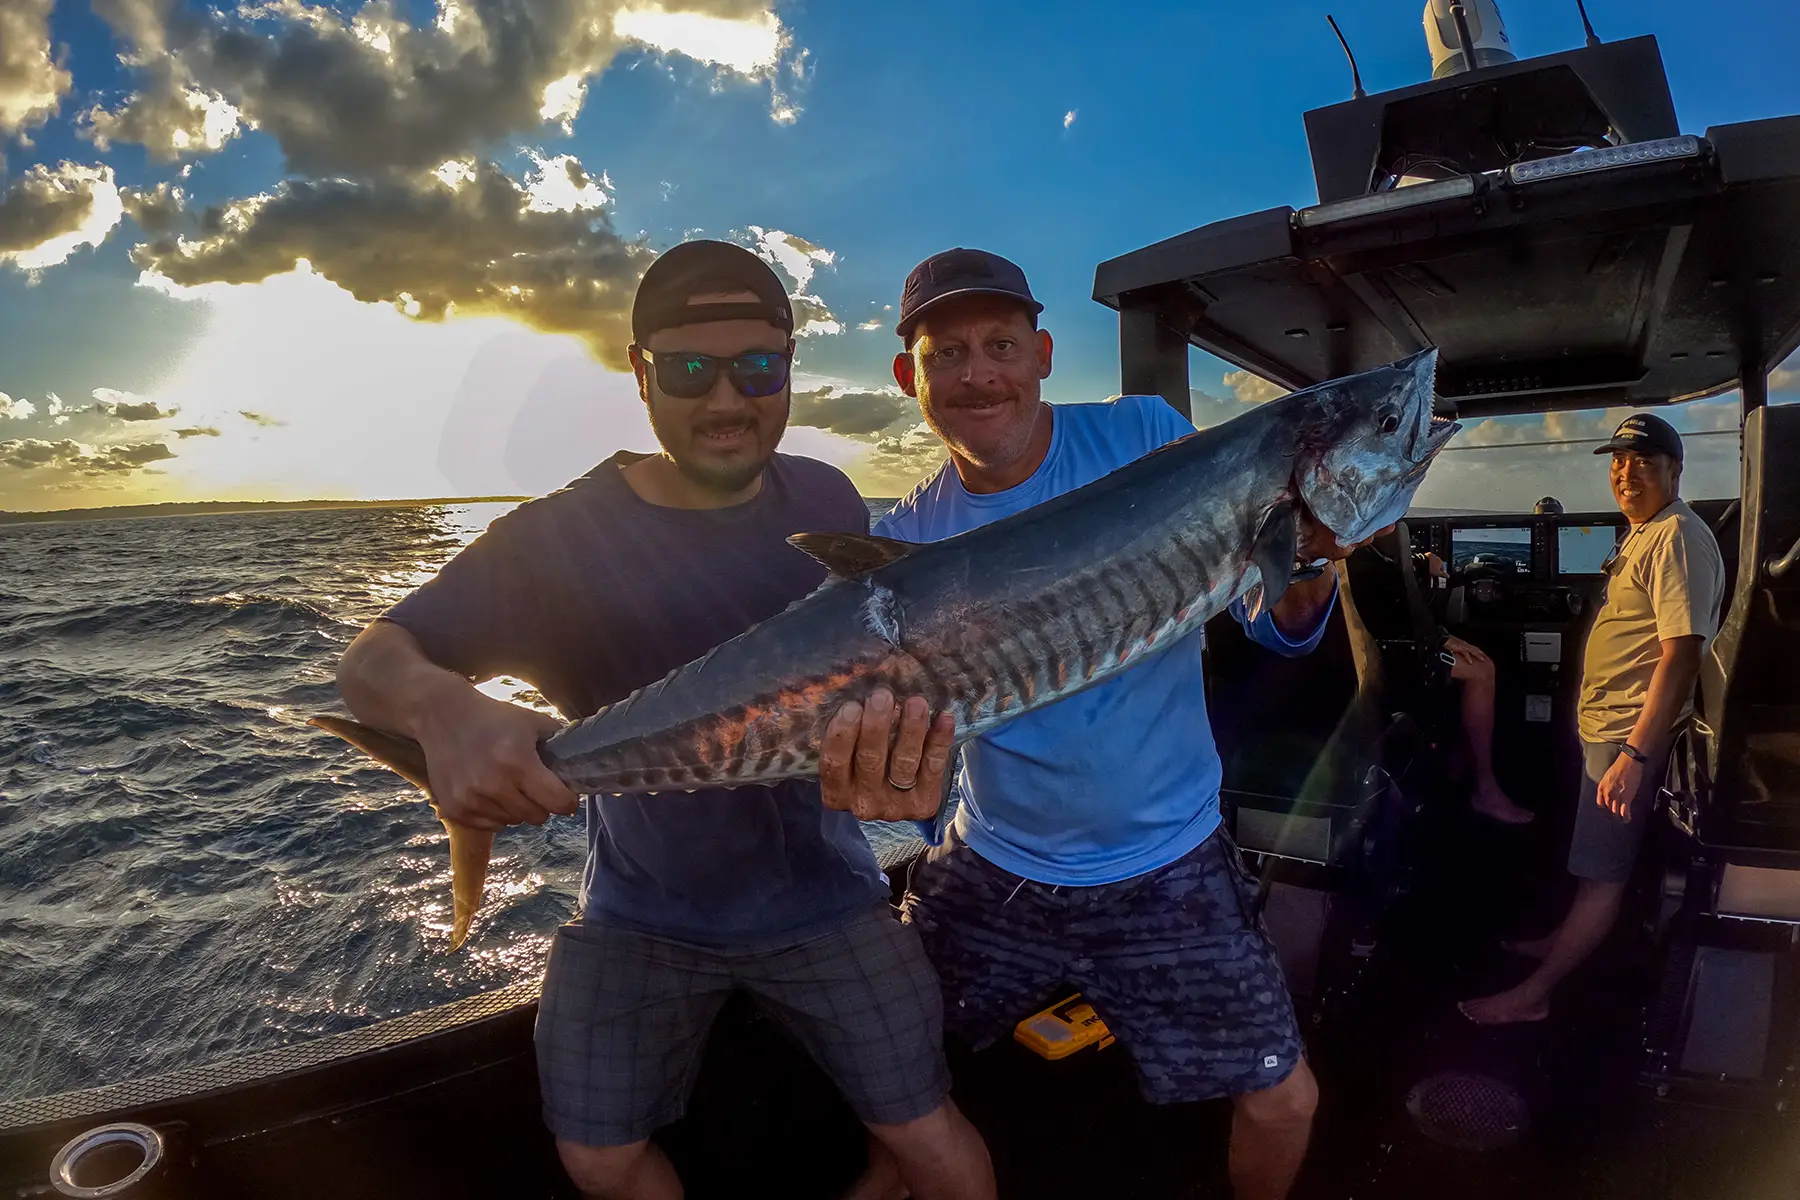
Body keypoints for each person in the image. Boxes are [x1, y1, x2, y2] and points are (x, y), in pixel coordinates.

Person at [334, 240, 994, 1200]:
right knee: (597, 1160)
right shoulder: (559, 537)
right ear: (639, 376)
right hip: (640, 912)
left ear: (789, 373)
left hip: (828, 897)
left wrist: (910, 765)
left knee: (928, 1138)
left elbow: (883, 683)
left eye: (757, 367)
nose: (726, 400)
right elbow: (371, 662)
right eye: (689, 369)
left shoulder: (826, 497)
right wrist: (446, 709)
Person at [816, 248, 1380, 1200]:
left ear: (1041, 352)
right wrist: (896, 793)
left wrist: (1314, 559)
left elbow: (1275, 626)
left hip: (1170, 864)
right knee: (898, 1086)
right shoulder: (908, 541)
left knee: (1285, 1103)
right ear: (911, 379)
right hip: (994, 865)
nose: (978, 372)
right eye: (946, 354)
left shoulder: (1145, 439)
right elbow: (915, 755)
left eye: (999, 343)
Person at [1461, 413, 1724, 1025]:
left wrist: (1634, 755)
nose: (1626, 473)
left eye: (1644, 462)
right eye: (1618, 462)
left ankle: (1536, 994)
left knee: (1604, 874)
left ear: (1675, 471)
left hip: (1631, 734)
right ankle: (1561, 942)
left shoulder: (1677, 536)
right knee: (1590, 862)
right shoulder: (1647, 531)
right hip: (1609, 729)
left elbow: (1682, 655)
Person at [1416, 551, 1535, 824]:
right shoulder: (1375, 541)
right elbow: (1387, 590)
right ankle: (1485, 788)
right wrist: (1422, 562)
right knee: (1482, 668)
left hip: (1378, 643)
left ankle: (1458, 764)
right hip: (1398, 650)